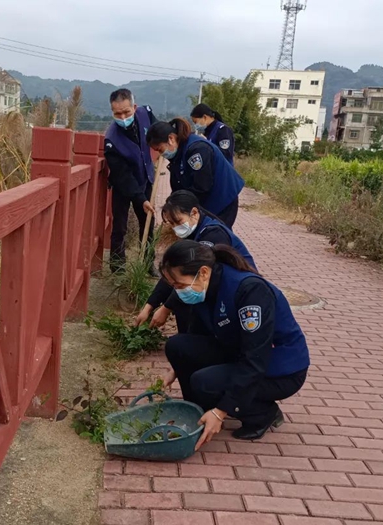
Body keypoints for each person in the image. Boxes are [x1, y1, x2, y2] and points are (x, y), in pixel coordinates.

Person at [159, 240, 309, 449]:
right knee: (178, 346)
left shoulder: (250, 291)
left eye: (180, 285)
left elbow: (255, 359)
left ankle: (263, 414)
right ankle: (197, 410)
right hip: (239, 352)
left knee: (204, 382)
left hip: (280, 370)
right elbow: (197, 335)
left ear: (203, 272)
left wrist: (221, 412)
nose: (178, 292)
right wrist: (177, 367)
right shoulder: (205, 287)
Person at [135, 190, 256, 334]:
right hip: (219, 284)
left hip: (239, 291)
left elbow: (189, 274)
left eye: (178, 222)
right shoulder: (193, 234)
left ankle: (193, 338)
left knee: (187, 296)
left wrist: (166, 308)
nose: (175, 228)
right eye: (171, 224)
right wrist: (149, 306)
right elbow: (173, 272)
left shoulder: (213, 234)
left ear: (194, 213)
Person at [146, 118, 244, 228]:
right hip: (207, 198)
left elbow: (201, 186)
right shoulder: (178, 153)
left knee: (215, 233)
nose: (161, 154)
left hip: (222, 199)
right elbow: (178, 185)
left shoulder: (197, 150)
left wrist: (181, 209)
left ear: (171, 138)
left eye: (160, 149)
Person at [104, 88, 157, 274]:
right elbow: (123, 175)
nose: (123, 117)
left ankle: (147, 264)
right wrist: (140, 199)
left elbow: (158, 132)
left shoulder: (145, 113)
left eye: (126, 112)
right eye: (117, 114)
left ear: (134, 107)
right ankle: (118, 268)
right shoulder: (111, 140)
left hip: (146, 177)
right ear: (112, 112)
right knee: (120, 226)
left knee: (148, 222)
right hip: (123, 185)